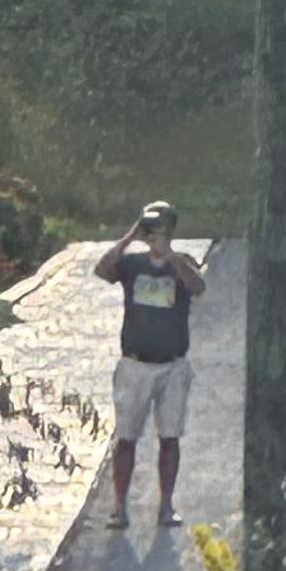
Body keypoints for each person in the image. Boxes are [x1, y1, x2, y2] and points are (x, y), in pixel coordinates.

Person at [94, 201, 204, 529]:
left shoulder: (182, 264)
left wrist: (169, 257)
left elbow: (197, 287)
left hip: (172, 365)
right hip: (134, 364)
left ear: (171, 230)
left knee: (169, 437)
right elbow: (102, 270)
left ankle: (166, 506)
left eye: (159, 229)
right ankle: (119, 506)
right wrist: (129, 237)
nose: (154, 236)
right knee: (126, 438)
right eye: (150, 230)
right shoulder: (132, 264)